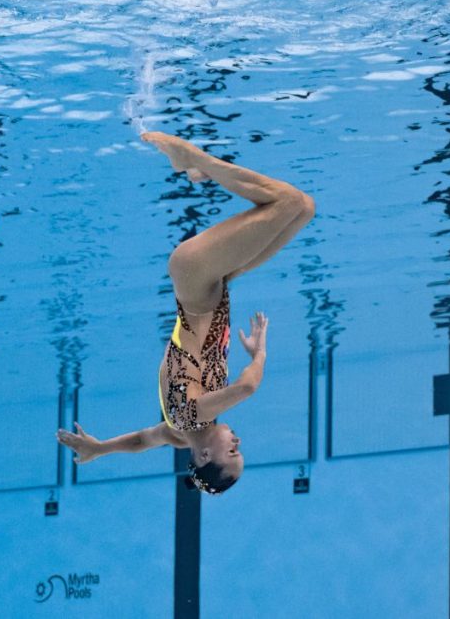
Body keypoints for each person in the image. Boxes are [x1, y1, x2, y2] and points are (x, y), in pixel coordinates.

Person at [57, 132, 315, 495]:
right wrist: (101, 449)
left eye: (234, 452)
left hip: (197, 276)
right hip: (217, 282)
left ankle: (194, 161)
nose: (239, 442)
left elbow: (248, 385)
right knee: (304, 209)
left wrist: (259, 355)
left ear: (207, 454)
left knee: (287, 202)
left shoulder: (193, 417)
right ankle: (195, 163)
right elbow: (143, 441)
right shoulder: (179, 434)